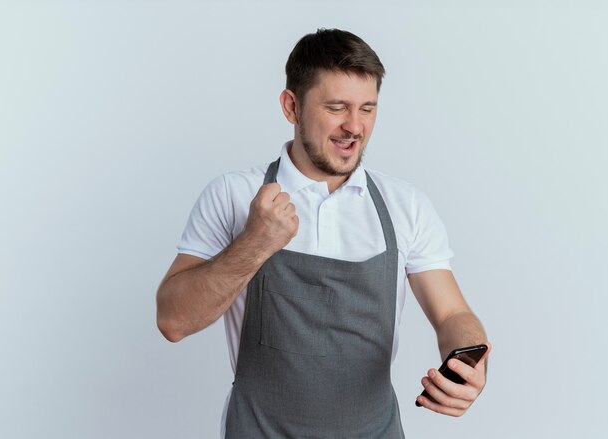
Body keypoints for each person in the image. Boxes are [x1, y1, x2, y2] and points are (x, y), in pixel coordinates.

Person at [156, 28, 490, 438]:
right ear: (291, 106)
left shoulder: (406, 205)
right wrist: (254, 243)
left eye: (367, 108)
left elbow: (453, 314)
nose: (355, 126)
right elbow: (173, 320)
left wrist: (468, 363)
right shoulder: (234, 194)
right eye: (336, 107)